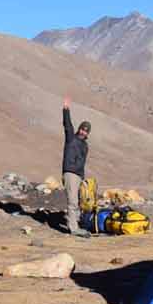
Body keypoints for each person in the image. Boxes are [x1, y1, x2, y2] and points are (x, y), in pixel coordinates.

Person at [61, 97, 91, 238]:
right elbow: (67, 124)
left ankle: (76, 224)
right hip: (70, 173)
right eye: (82, 129)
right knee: (72, 201)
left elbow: (82, 162)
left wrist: (83, 178)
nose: (83, 132)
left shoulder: (85, 146)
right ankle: (73, 228)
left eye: (86, 131)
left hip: (78, 176)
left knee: (79, 201)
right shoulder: (71, 138)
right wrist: (66, 109)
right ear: (79, 129)